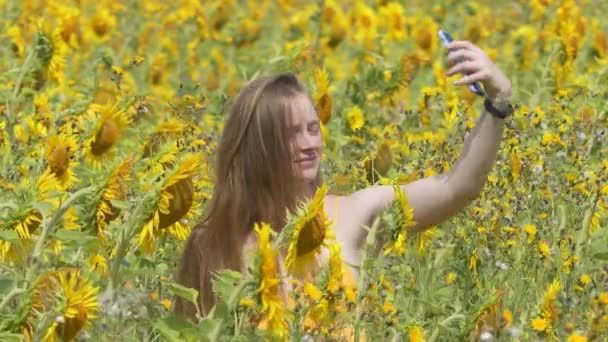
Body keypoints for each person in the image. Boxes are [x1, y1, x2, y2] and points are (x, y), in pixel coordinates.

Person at [175, 40, 514, 318]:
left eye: (312, 128)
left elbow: (457, 188)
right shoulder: (211, 242)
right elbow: (189, 331)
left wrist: (498, 101)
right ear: (258, 145)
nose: (310, 144)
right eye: (292, 134)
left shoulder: (352, 214)